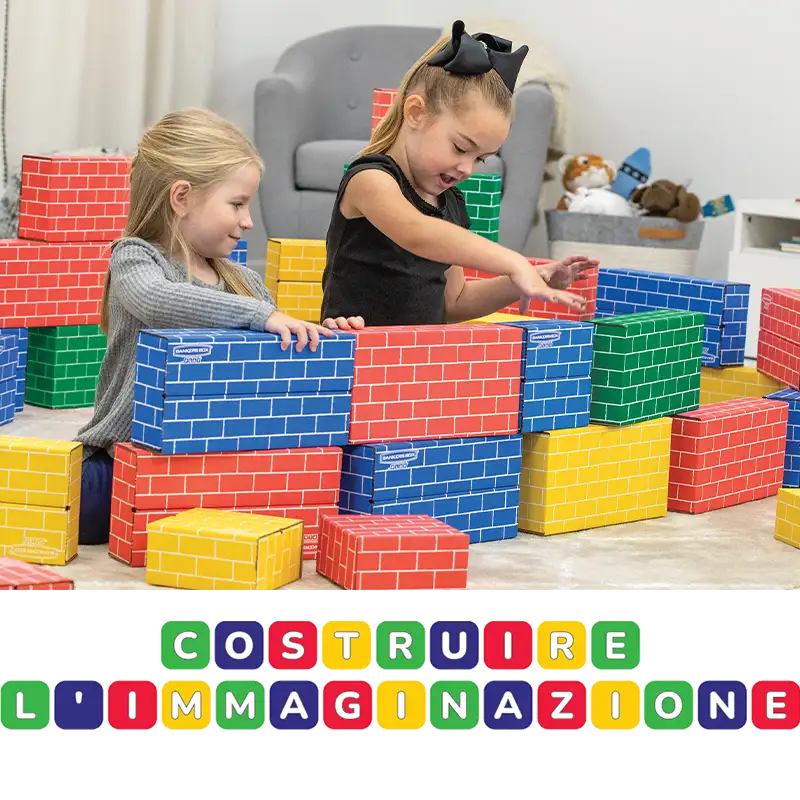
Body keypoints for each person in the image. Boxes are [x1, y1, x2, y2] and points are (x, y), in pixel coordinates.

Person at [76, 108, 334, 546]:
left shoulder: (244, 281)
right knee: (84, 509)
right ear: (182, 197)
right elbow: (157, 302)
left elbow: (276, 354)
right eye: (236, 204)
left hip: (212, 457)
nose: (249, 221)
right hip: (123, 456)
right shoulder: (136, 259)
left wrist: (323, 330)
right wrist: (259, 315)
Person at [320, 20, 597, 332]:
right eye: (460, 147)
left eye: (480, 158)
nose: (467, 168)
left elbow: (456, 303)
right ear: (415, 112)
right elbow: (417, 233)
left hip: (422, 363)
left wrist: (524, 281)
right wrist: (514, 262)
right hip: (355, 356)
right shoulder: (371, 179)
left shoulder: (450, 204)